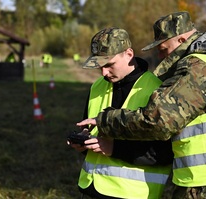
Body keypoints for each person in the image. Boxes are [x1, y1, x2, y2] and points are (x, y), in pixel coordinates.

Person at [77, 12, 206, 198]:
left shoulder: (199, 67)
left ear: (181, 40)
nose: (162, 57)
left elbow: (159, 121)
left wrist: (105, 120)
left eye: (163, 49)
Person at [72, 27, 173, 199]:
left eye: (109, 65)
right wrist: (83, 143)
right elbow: (93, 133)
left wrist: (114, 149)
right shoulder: (97, 86)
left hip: (133, 194)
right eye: (100, 66)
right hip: (89, 188)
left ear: (129, 54)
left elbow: (166, 152)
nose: (104, 73)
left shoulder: (157, 90)